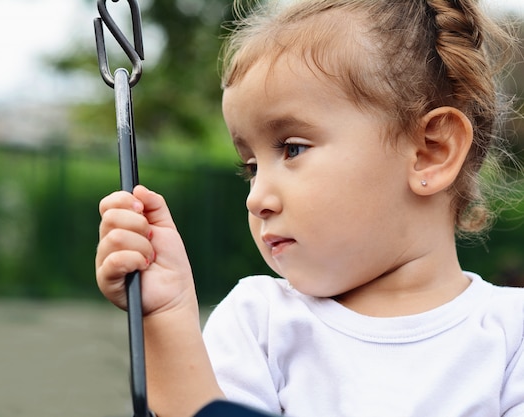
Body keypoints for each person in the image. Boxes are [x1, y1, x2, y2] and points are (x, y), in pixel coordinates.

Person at [95, 0, 524, 416]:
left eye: (293, 148)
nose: (256, 197)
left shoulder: (511, 335)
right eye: (250, 167)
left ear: (431, 151)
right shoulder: (260, 323)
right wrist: (166, 319)